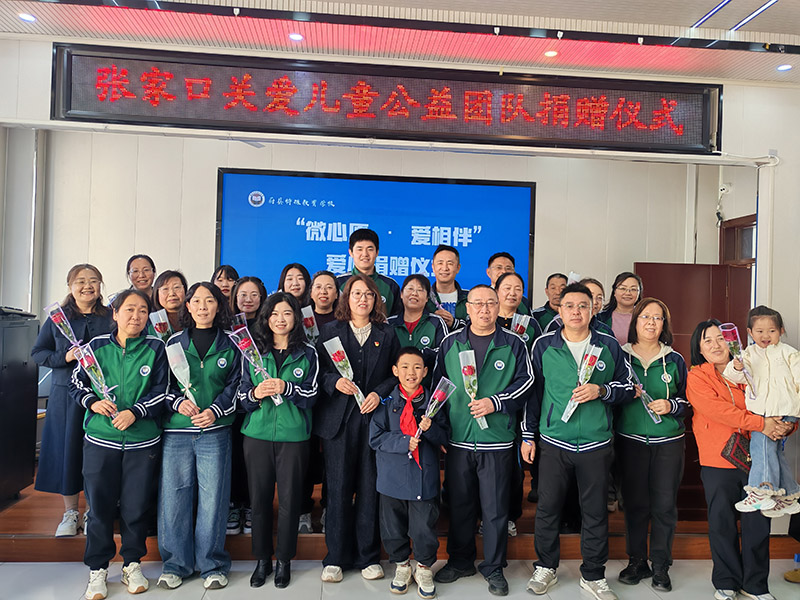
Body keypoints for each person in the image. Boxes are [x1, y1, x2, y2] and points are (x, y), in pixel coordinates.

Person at [522, 282, 634, 600]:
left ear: (592, 309)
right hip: (554, 442)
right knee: (548, 508)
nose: (576, 312)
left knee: (595, 511)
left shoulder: (608, 345)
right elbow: (533, 394)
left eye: (583, 306)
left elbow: (628, 387)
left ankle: (594, 575)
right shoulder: (544, 345)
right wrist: (528, 435)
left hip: (596, 444)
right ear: (559, 310)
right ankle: (546, 567)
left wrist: (602, 390)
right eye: (569, 306)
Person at [433, 284, 533, 596]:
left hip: (497, 440)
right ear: (467, 308)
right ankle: (460, 561)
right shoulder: (451, 342)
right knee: (460, 505)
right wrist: (439, 429)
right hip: (460, 440)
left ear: (498, 306)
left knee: (495, 509)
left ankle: (494, 567)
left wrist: (496, 402)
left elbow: (527, 382)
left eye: (490, 303)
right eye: (477, 303)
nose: (484, 309)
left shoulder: (513, 343)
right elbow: (439, 386)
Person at [69, 289, 168, 600]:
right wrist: (92, 402)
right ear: (115, 313)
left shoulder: (156, 347)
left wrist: (136, 412)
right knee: (99, 508)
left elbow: (163, 389)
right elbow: (77, 383)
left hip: (142, 441)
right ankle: (97, 569)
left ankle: (132, 563)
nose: (136, 316)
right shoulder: (95, 347)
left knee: (136, 506)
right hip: (101, 440)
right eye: (129, 309)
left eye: (142, 311)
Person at [686, 319, 793, 600]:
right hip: (718, 459)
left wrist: (784, 426)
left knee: (758, 523)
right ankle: (726, 582)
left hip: (759, 460)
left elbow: (780, 400)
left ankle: (755, 585)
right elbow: (719, 411)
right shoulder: (697, 376)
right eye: (707, 340)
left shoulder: (752, 368)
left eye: (720, 338)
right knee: (722, 522)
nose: (715, 345)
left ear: (732, 342)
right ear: (700, 348)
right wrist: (762, 423)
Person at [314, 274, 400, 583]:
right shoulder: (329, 331)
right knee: (337, 490)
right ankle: (335, 558)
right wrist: (334, 382)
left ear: (377, 300)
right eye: (356, 294)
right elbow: (318, 372)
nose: (362, 299)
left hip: (373, 421)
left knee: (369, 488)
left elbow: (394, 373)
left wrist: (379, 393)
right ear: (346, 299)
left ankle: (368, 556)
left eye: (368, 294)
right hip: (339, 422)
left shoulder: (386, 334)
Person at [157, 282, 239, 591]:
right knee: (174, 497)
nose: (203, 306)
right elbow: (161, 385)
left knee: (213, 499)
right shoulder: (173, 342)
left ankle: (212, 565)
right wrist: (177, 402)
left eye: (210, 301)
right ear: (188, 307)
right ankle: (175, 564)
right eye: (197, 301)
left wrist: (216, 410)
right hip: (178, 430)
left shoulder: (231, 344)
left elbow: (237, 384)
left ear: (219, 306)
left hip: (215, 430)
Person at [237, 292, 319, 588]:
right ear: (266, 318)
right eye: (274, 314)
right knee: (259, 501)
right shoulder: (252, 352)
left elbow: (312, 395)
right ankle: (262, 560)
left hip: (294, 437)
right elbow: (241, 394)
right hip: (256, 436)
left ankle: (284, 560)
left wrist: (287, 387)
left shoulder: (308, 353)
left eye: (286, 313)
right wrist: (255, 394)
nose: (280, 319)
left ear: (296, 318)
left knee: (289, 501)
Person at [32, 264, 113, 537]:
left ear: (100, 285)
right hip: (65, 396)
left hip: (102, 395)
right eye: (80, 281)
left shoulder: (111, 316)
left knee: (97, 454)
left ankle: (92, 512)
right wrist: (64, 357)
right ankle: (70, 512)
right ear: (70, 286)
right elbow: (38, 352)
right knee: (67, 451)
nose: (87, 286)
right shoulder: (58, 318)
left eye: (94, 281)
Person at [617, 298, 689, 592]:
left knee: (664, 506)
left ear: (664, 325)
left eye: (657, 318)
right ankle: (637, 561)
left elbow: (688, 402)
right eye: (645, 316)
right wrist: (625, 393)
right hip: (630, 441)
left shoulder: (675, 360)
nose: (651, 322)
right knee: (635, 504)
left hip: (668, 443)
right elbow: (609, 396)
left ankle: (661, 565)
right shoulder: (619, 356)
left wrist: (671, 406)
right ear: (635, 321)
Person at [369, 347, 448, 599]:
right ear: (395, 371)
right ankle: (402, 565)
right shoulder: (386, 402)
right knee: (392, 526)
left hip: (423, 477)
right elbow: (375, 437)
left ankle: (423, 567)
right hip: (391, 477)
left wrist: (431, 428)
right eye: (404, 367)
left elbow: (446, 437)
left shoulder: (434, 402)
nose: (410, 372)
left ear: (425, 372)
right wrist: (403, 442)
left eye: (417, 367)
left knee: (424, 527)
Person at [723, 306, 800, 515]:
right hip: (761, 412)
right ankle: (789, 495)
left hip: (783, 410)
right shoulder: (747, 354)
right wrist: (737, 367)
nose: (766, 336)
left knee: (761, 448)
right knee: (774, 452)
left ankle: (762, 489)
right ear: (749, 332)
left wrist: (794, 415)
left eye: (772, 331)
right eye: (759, 331)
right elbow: (734, 377)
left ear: (781, 331)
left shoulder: (789, 354)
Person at [227, 275, 268, 536]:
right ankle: (234, 505)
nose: (248, 299)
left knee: (253, 459)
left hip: (259, 402)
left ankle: (253, 506)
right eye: (243, 294)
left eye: (254, 295)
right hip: (231, 402)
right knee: (234, 457)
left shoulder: (268, 326)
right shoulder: (227, 326)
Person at [388, 274, 448, 379]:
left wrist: (422, 354)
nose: (414, 293)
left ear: (427, 298)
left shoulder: (436, 322)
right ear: (401, 294)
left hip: (427, 386)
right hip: (394, 386)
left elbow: (445, 352)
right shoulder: (389, 324)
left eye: (420, 290)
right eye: (410, 289)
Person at [336, 228, 401, 317]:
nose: (365, 254)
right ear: (351, 252)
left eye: (370, 249)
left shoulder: (391, 285)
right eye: (359, 249)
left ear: (377, 252)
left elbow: (396, 318)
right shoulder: (338, 283)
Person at [544, 278, 612, 336]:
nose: (595, 302)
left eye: (599, 298)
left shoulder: (605, 330)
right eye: (590, 296)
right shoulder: (556, 324)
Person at [495, 272, 542, 351]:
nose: (512, 293)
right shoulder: (486, 320)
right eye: (507, 288)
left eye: (518, 289)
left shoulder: (530, 323)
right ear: (496, 291)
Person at [426, 244, 469, 331]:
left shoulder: (470, 297)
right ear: (433, 267)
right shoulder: (424, 297)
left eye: (450, 263)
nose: (445, 268)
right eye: (440, 263)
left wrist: (454, 323)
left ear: (458, 268)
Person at [597, 272, 643, 346]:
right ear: (614, 292)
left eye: (633, 289)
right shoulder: (601, 318)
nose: (628, 293)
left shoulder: (646, 318)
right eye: (623, 288)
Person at [149, 270, 187, 337]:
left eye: (177, 287)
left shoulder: (195, 317)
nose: (172, 293)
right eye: (165, 289)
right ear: (157, 294)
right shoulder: (150, 321)